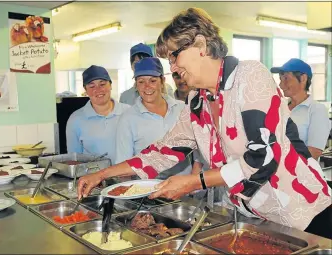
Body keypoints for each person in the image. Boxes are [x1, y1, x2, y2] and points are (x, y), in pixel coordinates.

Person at [78, 8, 331, 238]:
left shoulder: (249, 76)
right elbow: (162, 152)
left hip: (305, 213)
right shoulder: (196, 102)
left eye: (175, 57)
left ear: (200, 44)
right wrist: (103, 174)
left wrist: (194, 181)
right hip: (262, 218)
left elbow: (263, 156)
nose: (173, 69)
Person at [115, 57, 193, 178]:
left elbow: (198, 151)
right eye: (141, 81)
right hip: (149, 192)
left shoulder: (182, 109)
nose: (147, 86)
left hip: (185, 188)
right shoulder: (127, 119)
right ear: (136, 85)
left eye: (152, 81)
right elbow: (123, 165)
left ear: (162, 81)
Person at [66, 65, 130, 164]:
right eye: (92, 86)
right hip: (94, 177)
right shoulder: (76, 119)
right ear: (85, 90)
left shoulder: (128, 112)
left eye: (102, 84)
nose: (98, 89)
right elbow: (74, 159)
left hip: (129, 176)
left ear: (110, 85)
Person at [271, 58, 331, 160]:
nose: (280, 85)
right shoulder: (280, 106)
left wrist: (282, 165)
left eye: (286, 78)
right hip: (275, 171)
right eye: (280, 79)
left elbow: (314, 152)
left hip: (300, 172)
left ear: (303, 78)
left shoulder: (316, 110)